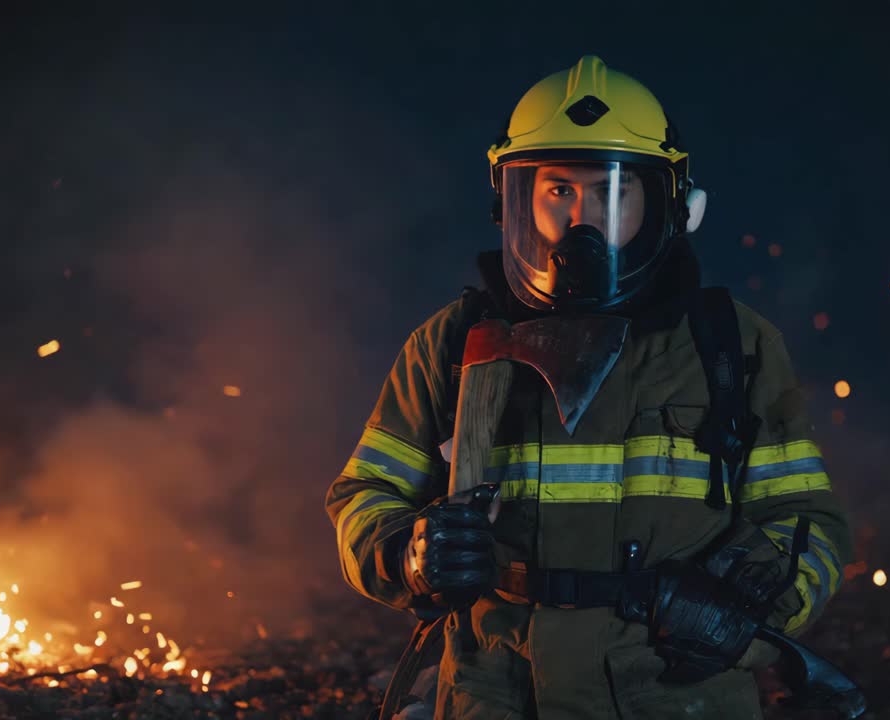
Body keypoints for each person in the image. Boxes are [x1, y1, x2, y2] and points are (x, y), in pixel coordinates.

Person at [326, 55, 853, 720]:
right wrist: (410, 555)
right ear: (513, 201)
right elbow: (363, 495)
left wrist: (745, 611)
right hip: (496, 695)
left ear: (667, 204)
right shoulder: (455, 342)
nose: (583, 220)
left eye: (612, 194)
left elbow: (810, 522)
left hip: (675, 695)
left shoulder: (731, 345)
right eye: (558, 191)